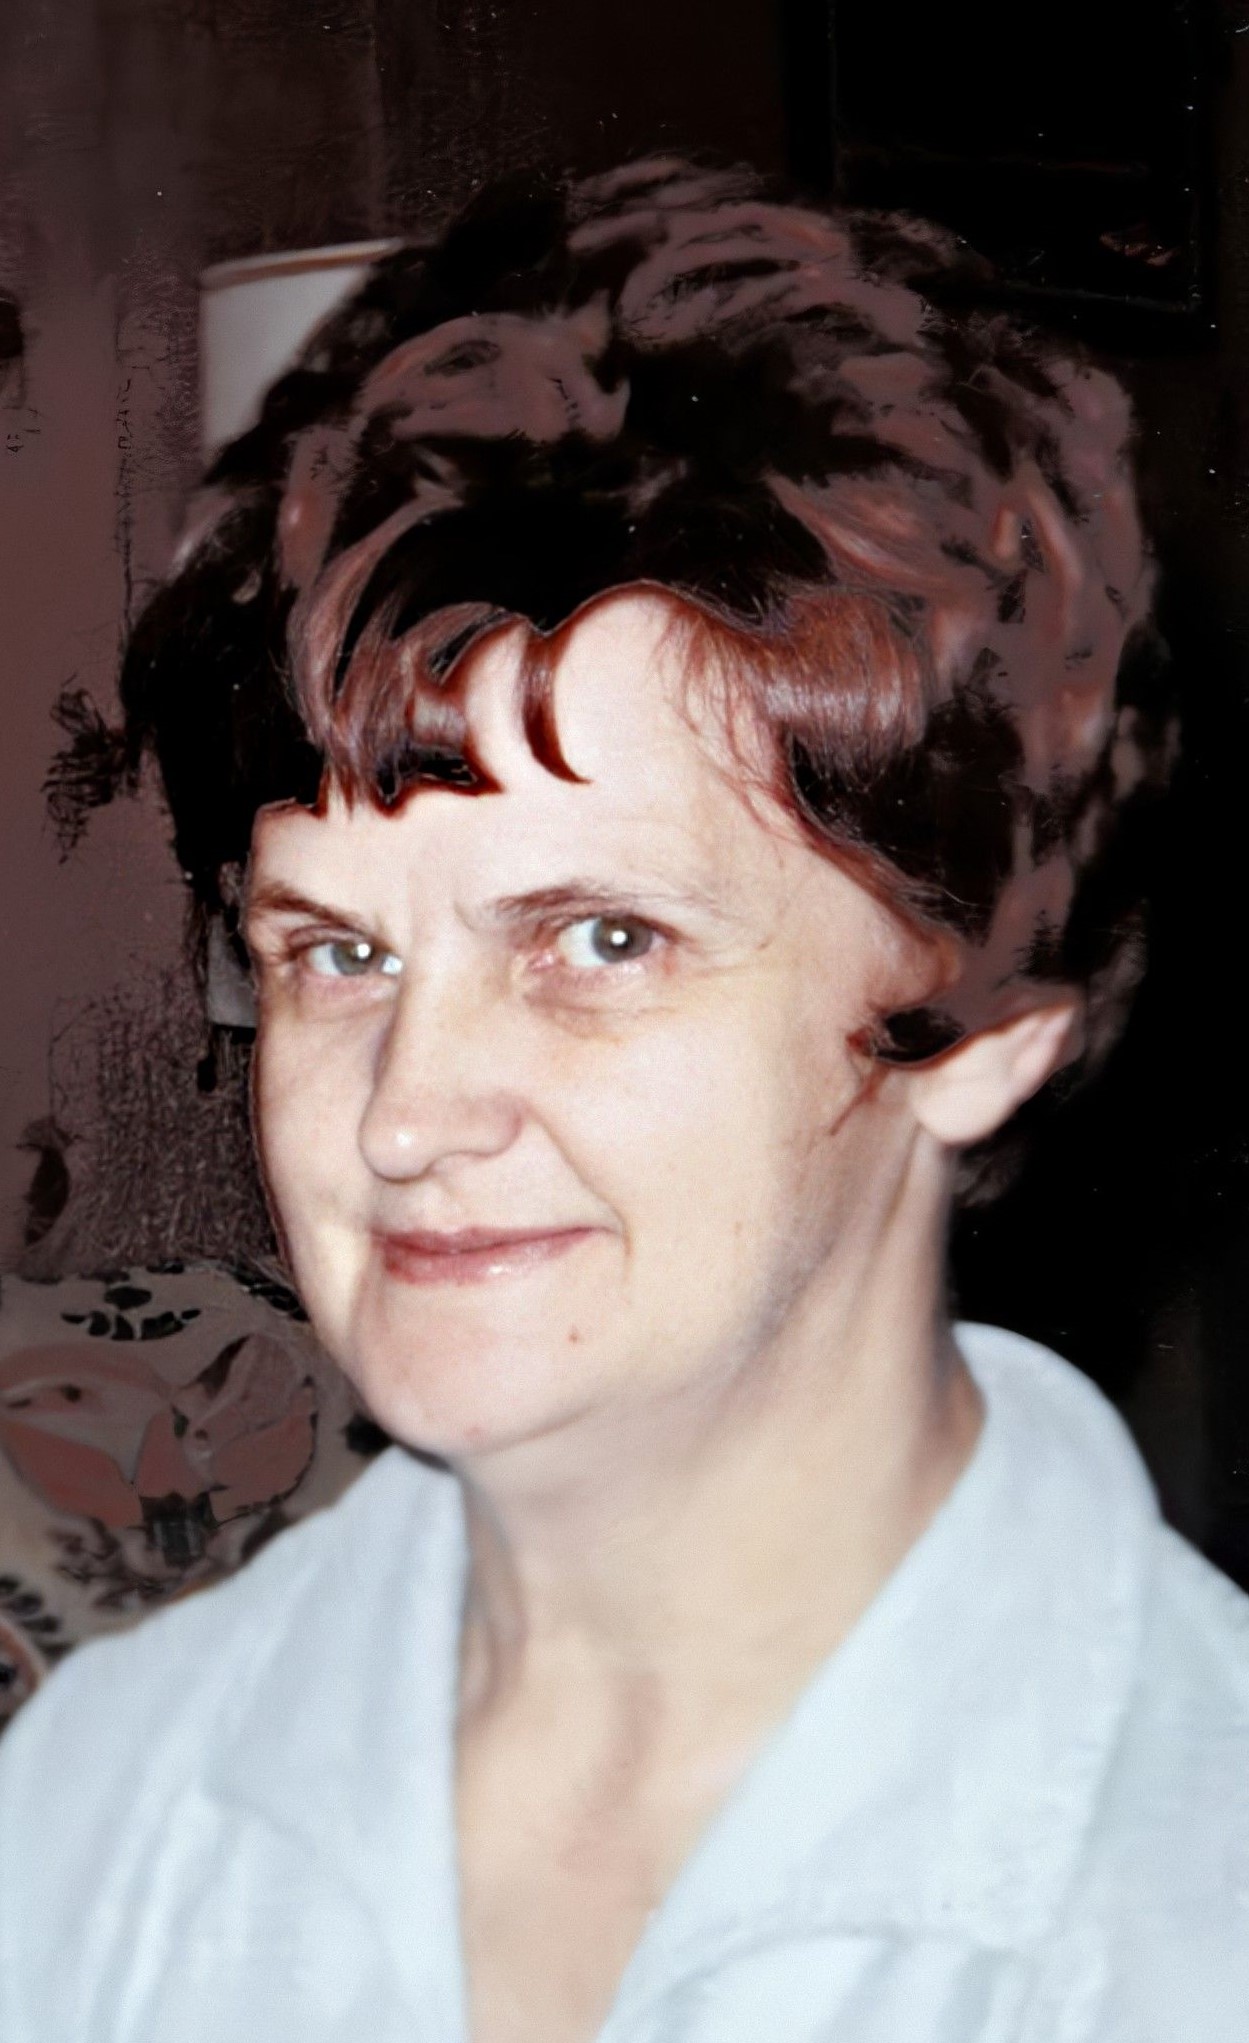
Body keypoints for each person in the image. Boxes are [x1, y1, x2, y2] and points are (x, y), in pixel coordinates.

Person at [1, 157, 1244, 2043]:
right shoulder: (97, 1807)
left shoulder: (1197, 1903)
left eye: (600, 940)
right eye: (337, 955)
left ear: (989, 1017)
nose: (404, 1117)